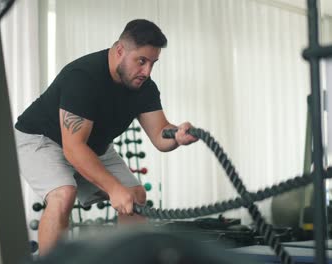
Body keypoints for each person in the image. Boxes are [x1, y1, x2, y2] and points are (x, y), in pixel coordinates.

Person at [14, 19, 198, 255]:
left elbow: (160, 134)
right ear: (120, 50)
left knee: (135, 197)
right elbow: (73, 149)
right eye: (141, 61)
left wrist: (177, 136)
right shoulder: (83, 77)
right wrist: (113, 189)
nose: (147, 71)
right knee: (63, 194)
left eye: (153, 63)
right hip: (40, 139)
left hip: (91, 145)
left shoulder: (143, 86)